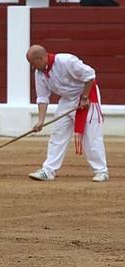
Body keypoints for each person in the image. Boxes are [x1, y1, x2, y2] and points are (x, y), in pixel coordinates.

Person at [26, 44, 109, 182]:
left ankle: (101, 171)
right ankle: (48, 170)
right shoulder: (39, 73)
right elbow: (42, 97)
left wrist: (84, 97)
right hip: (67, 100)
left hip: (87, 95)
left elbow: (90, 75)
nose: (32, 67)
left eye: (33, 63)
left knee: (91, 135)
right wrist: (41, 121)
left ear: (40, 58)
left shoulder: (66, 61)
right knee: (58, 132)